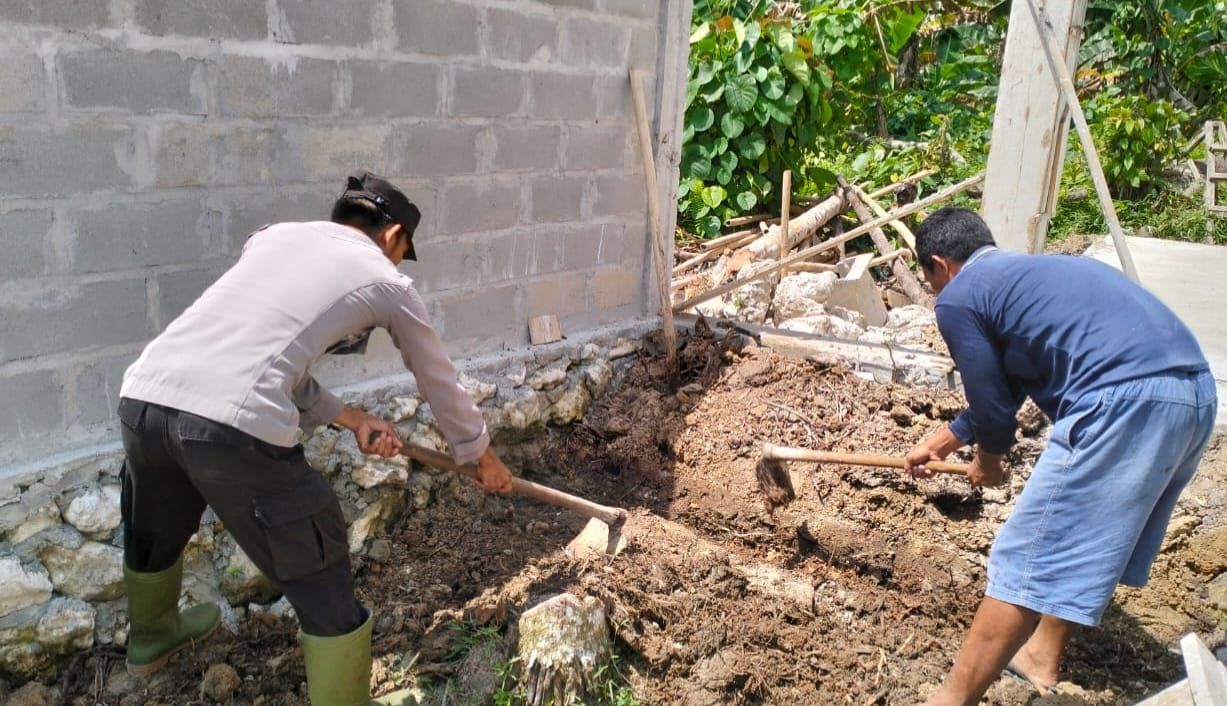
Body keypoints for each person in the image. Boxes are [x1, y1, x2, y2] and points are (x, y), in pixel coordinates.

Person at [115, 171, 514, 706]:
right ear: (394, 236)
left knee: (154, 525)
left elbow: (261, 355)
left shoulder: (274, 238)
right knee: (316, 554)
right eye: (401, 250)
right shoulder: (387, 282)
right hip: (229, 427)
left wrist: (352, 419)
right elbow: (438, 379)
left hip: (144, 399)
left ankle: (151, 640)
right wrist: (482, 457)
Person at [903, 208, 1216, 705]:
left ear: (940, 265)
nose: (937, 294)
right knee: (1089, 539)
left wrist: (989, 458)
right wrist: (945, 441)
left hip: (1125, 400)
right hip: (1192, 396)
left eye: (932, 282)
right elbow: (1009, 386)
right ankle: (1037, 653)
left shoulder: (960, 296)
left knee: (1025, 558)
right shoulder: (1033, 277)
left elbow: (992, 408)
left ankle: (951, 700)